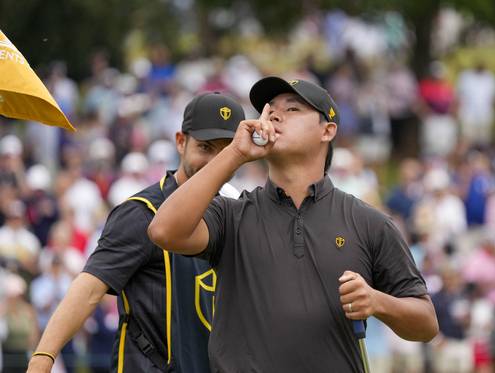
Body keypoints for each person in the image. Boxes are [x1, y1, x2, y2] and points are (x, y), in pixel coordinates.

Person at [149, 77, 439, 372]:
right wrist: (234, 154)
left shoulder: (368, 222)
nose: (274, 115)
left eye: (293, 109)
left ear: (327, 131)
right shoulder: (231, 215)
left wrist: (377, 302)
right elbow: (163, 231)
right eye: (270, 109)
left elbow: (426, 323)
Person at [26, 92, 245, 373]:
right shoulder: (141, 212)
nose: (215, 161)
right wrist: (43, 358)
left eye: (226, 151)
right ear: (180, 141)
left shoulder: (236, 211)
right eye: (204, 147)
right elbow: (90, 287)